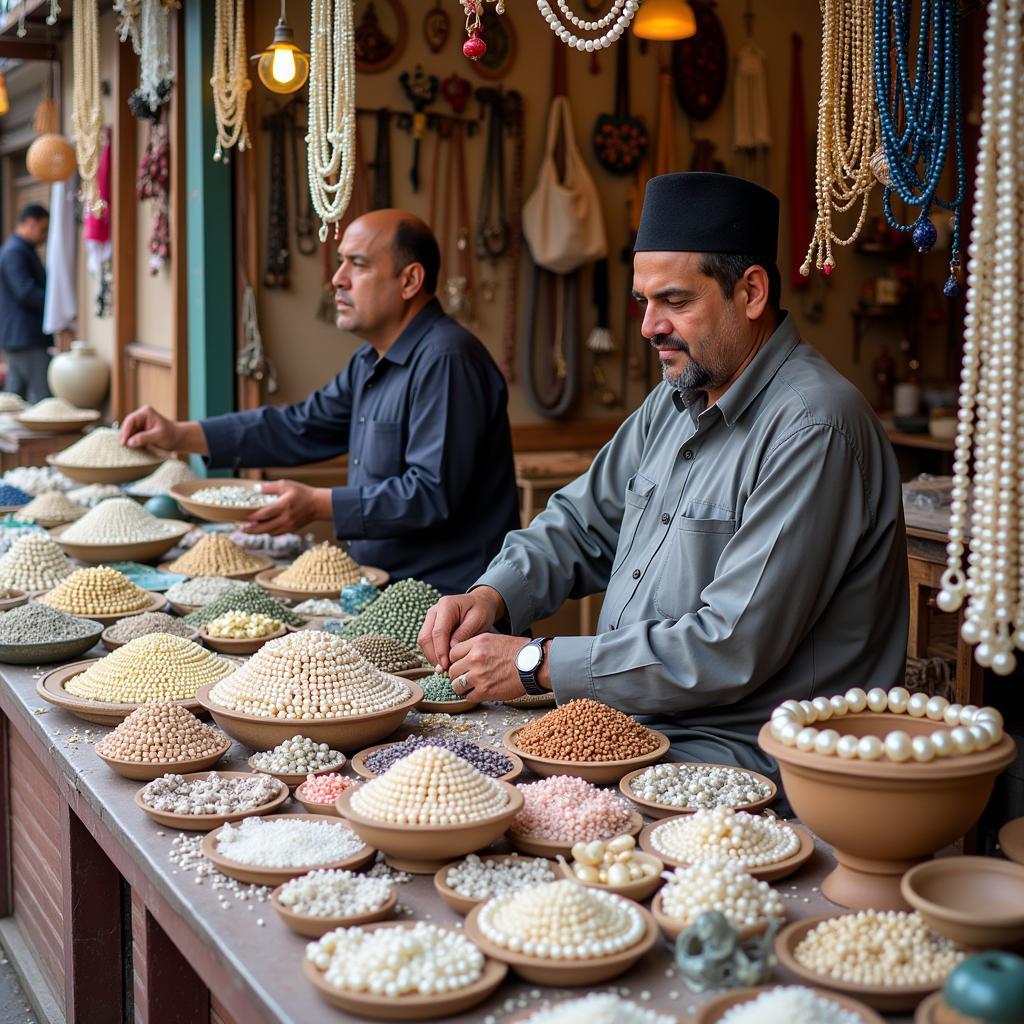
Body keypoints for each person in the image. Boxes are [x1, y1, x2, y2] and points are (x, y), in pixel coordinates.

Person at [420, 173, 910, 774]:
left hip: (744, 761)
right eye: (643, 302)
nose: (649, 325)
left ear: (751, 292)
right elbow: (581, 524)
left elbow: (730, 645)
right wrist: (491, 595)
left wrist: (535, 664)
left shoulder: (813, 427)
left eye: (675, 301)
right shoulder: (677, 397)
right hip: (638, 726)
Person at [121, 210, 520, 594]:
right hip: (381, 589)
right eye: (340, 263)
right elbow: (300, 425)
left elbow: (430, 494)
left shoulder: (447, 359)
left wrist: (316, 504)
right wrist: (179, 435)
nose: (336, 280)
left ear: (410, 280)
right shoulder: (370, 361)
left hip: (453, 607)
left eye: (357, 265)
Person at [0, 203, 51, 403]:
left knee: (13, 399)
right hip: (24, 338)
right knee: (43, 397)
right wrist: (55, 306)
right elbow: (24, 291)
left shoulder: (19, 249)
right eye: (43, 229)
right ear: (30, 223)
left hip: (20, 338)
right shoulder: (15, 252)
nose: (45, 236)